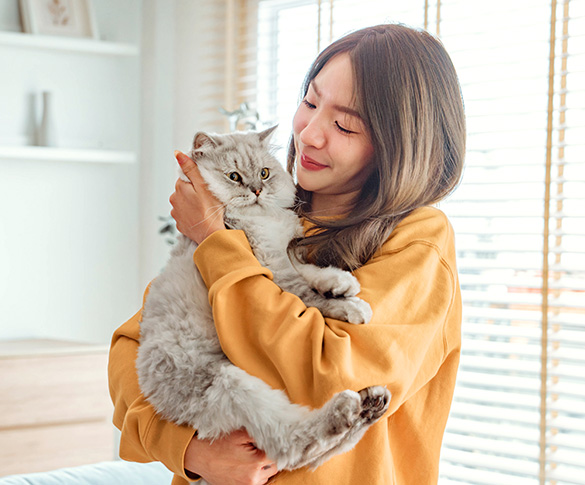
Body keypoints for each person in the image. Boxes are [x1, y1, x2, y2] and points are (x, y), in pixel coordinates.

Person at [109, 23, 465, 485]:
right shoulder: (265, 212)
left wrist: (216, 240)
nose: (311, 134)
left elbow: (328, 377)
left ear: (399, 145)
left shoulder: (419, 240)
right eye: (310, 102)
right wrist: (191, 451)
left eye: (344, 124)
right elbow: (132, 351)